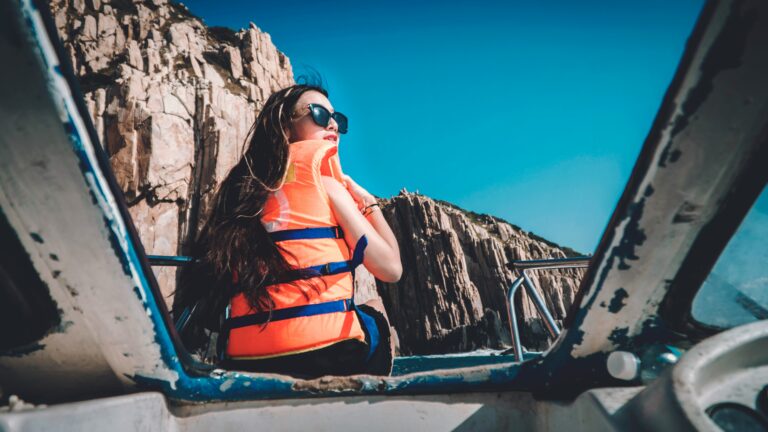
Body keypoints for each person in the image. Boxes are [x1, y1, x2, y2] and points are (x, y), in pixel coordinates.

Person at [175, 84, 401, 378]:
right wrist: (370, 204)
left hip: (246, 363)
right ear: (285, 124)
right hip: (331, 357)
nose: (332, 124)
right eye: (319, 114)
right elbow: (392, 269)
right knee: (375, 305)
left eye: (338, 119)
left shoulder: (239, 192)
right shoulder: (327, 184)